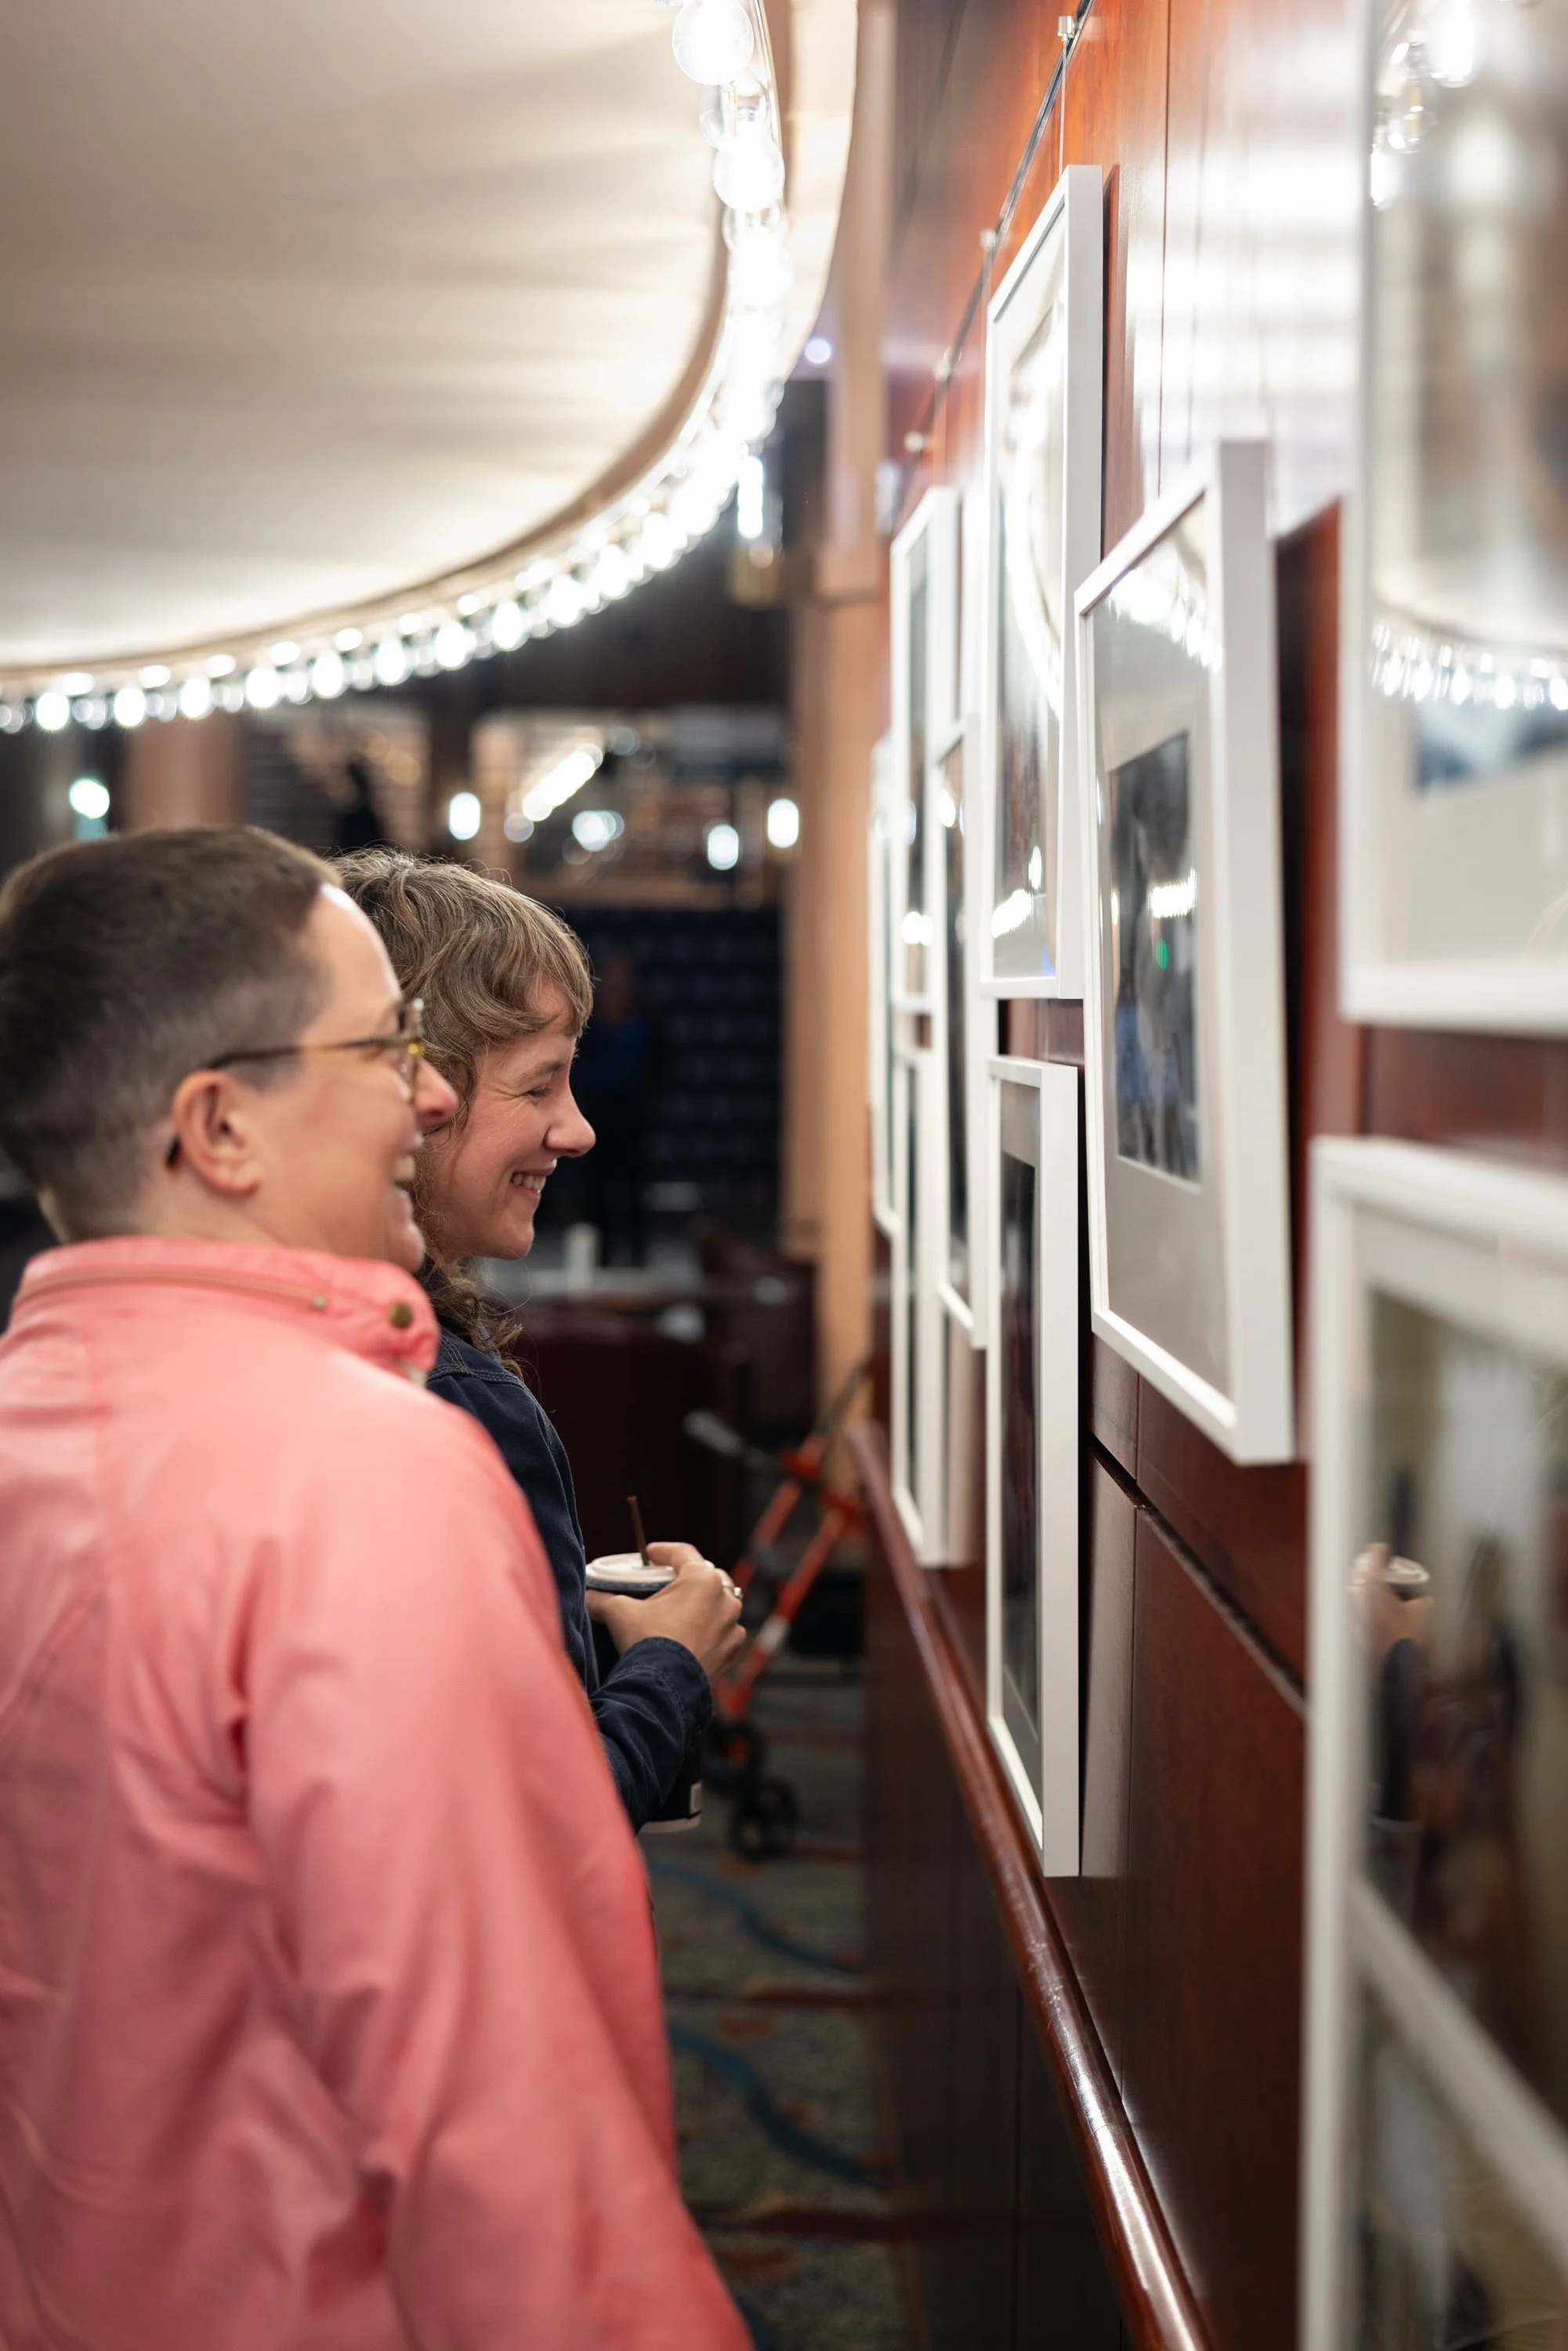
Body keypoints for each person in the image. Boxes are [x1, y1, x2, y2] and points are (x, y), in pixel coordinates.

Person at [0, 828, 745, 2351]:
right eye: (382, 1047)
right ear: (221, 1130)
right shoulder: (362, 1477)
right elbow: (505, 2128)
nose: (424, 1094)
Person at [336, 849, 741, 1830]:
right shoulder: (453, 1402)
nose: (578, 1129)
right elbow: (543, 1819)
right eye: (540, 1084)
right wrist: (670, 1662)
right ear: (413, 1098)